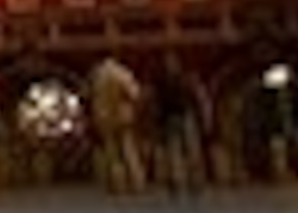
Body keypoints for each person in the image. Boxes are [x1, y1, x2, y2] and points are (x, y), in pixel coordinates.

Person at [155, 56, 212, 198]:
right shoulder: (185, 80)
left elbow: (159, 105)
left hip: (175, 118)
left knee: (177, 151)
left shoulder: (164, 83)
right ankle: (192, 181)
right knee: (188, 150)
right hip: (183, 117)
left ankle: (181, 181)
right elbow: (198, 99)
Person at [89, 51, 146, 195]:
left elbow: (92, 96)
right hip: (123, 115)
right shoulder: (122, 73)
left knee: (112, 152)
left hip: (104, 116)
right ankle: (136, 181)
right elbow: (134, 93)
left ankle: (117, 182)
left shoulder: (98, 75)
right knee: (128, 149)